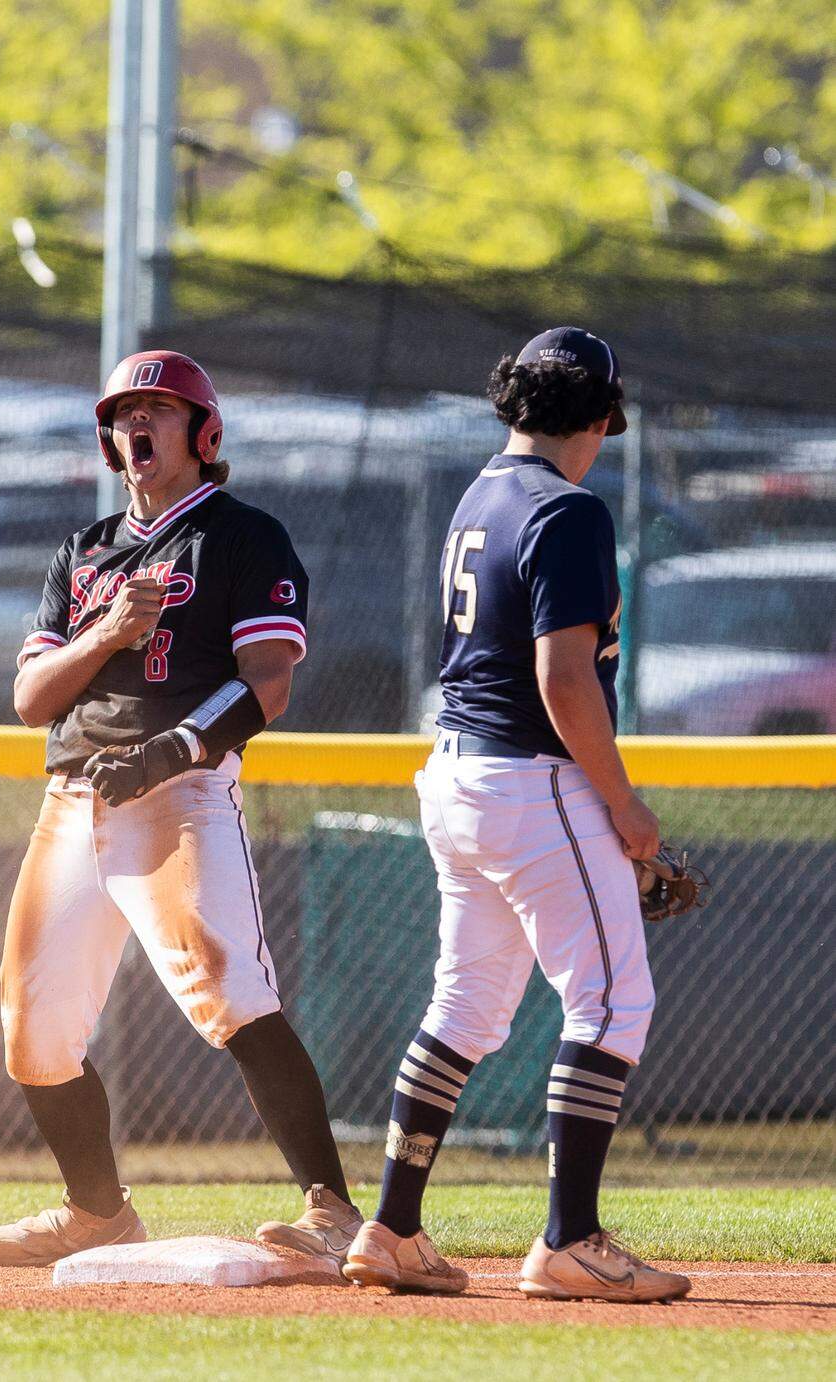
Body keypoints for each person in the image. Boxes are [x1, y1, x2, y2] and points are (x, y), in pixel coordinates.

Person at [0, 350, 360, 1268]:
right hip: (73, 798)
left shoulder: (241, 536)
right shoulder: (85, 551)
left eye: (158, 409)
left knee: (231, 995)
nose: (136, 424)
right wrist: (110, 629)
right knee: (34, 1031)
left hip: (178, 794)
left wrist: (172, 749)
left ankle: (335, 1211)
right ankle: (97, 1210)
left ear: (204, 432)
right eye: (123, 413)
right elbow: (31, 699)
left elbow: (268, 686)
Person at [343, 327, 691, 1302]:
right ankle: (569, 1236)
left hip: (456, 776)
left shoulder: (481, 493)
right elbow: (563, 674)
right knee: (616, 1000)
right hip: (532, 779)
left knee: (469, 1003)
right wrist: (622, 802)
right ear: (596, 414)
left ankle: (395, 1224)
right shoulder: (568, 506)